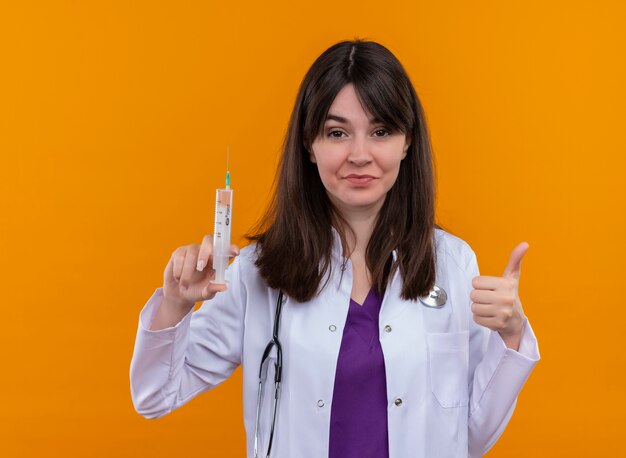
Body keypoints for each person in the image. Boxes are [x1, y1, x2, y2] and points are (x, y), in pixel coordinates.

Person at [130, 39, 540, 458]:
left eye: (380, 132)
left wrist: (510, 336)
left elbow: (468, 438)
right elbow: (154, 396)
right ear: (310, 144)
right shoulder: (258, 271)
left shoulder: (451, 264)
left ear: (407, 142)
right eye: (337, 132)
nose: (359, 155)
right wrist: (175, 306)